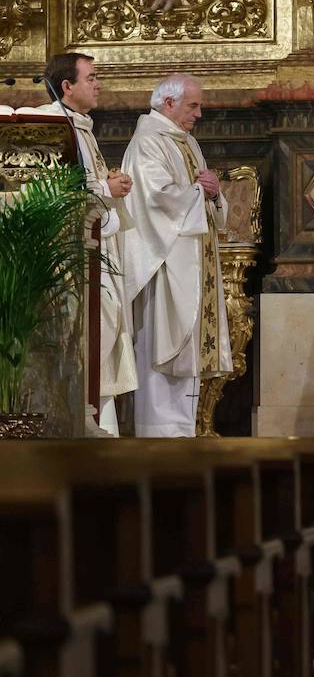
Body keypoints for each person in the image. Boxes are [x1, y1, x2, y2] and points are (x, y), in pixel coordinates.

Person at [121, 75, 231, 437]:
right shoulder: (148, 143)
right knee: (162, 347)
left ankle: (183, 431)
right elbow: (156, 199)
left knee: (188, 350)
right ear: (168, 104)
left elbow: (199, 194)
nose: (199, 113)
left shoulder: (188, 143)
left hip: (193, 264)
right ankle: (158, 435)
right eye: (193, 105)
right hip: (165, 266)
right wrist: (200, 192)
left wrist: (213, 194)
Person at [36, 53, 137, 436]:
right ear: (67, 86)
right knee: (85, 337)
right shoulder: (51, 124)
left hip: (94, 248)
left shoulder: (82, 127)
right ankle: (81, 425)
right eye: (91, 78)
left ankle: (99, 427)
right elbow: (47, 192)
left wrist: (108, 186)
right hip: (70, 256)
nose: (98, 84)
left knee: (102, 338)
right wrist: (103, 188)